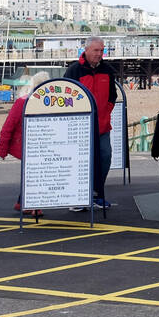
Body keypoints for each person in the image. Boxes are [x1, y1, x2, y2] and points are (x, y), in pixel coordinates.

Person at [64, 37, 119, 210]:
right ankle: (78, 198)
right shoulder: (74, 71)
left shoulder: (108, 70)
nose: (99, 54)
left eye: (101, 51)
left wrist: (106, 111)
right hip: (80, 127)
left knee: (105, 157)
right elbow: (66, 98)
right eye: (95, 50)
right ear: (86, 50)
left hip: (102, 126)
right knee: (79, 162)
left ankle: (97, 194)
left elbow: (113, 95)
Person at [0, 71, 50, 215]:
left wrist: (2, 149)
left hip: (27, 145)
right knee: (37, 174)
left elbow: (8, 126)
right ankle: (34, 206)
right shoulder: (49, 104)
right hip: (37, 146)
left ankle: (23, 202)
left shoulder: (22, 102)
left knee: (32, 174)